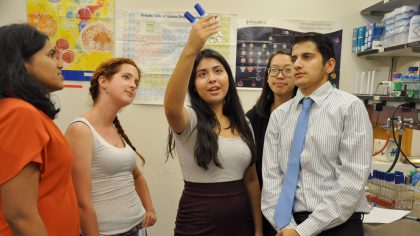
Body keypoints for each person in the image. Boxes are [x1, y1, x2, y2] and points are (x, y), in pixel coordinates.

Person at [262, 32, 372, 236]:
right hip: (288, 224)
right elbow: (271, 179)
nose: (296, 64)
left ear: (329, 65)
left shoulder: (349, 107)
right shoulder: (279, 116)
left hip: (338, 224)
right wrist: (286, 227)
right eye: (294, 58)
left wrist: (303, 231)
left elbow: (352, 179)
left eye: (307, 57)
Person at [164, 15, 263, 236]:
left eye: (218, 71)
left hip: (241, 225)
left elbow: (251, 179)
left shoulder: (244, 122)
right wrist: (191, 47)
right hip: (197, 224)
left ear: (228, 77)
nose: (212, 79)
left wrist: (258, 230)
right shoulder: (189, 120)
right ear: (194, 85)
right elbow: (171, 106)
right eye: (202, 74)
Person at [0, 23, 80, 235]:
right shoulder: (19, 114)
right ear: (22, 63)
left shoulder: (27, 112)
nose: (60, 64)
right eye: (51, 55)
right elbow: (20, 216)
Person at [65, 58, 157, 236]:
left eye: (136, 82)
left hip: (138, 228)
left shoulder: (114, 128)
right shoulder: (81, 130)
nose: (133, 85)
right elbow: (81, 202)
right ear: (103, 81)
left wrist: (150, 209)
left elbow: (137, 176)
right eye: (126, 77)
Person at [246, 50, 297, 236]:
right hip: (263, 206)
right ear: (267, 77)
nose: (280, 76)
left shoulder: (307, 115)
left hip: (300, 206)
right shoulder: (252, 119)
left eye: (287, 70)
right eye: (274, 70)